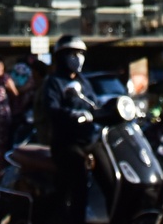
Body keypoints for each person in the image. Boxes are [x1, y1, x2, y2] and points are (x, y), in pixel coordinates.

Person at [40, 35, 102, 224]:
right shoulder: (54, 82)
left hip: (89, 139)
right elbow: (51, 109)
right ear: (61, 57)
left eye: (81, 53)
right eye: (72, 54)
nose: (78, 58)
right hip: (67, 142)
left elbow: (95, 104)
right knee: (77, 181)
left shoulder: (84, 82)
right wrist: (71, 114)